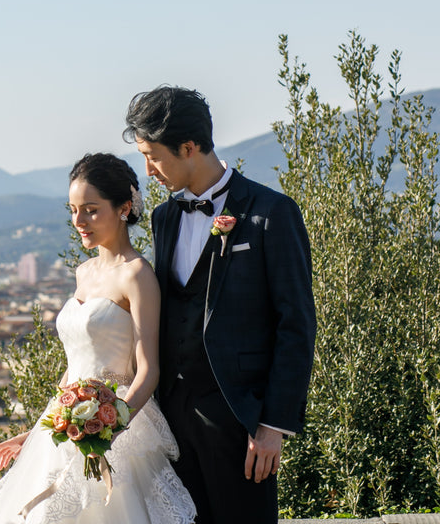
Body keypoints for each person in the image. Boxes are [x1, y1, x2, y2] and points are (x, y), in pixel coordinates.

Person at [0, 153, 196, 524]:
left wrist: (108, 431)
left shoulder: (137, 275)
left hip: (117, 428)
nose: (78, 221)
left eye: (90, 210)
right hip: (66, 427)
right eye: (73, 210)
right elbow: (72, 371)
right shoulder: (83, 272)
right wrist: (38, 432)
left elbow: (148, 371)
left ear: (123, 208)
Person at [124, 86, 316, 524]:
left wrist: (273, 426)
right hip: (171, 423)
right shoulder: (164, 217)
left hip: (241, 421)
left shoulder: (272, 212)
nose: (148, 169)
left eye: (153, 155)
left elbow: (296, 324)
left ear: (189, 147)